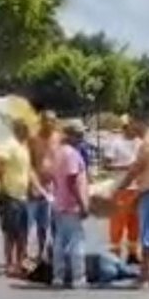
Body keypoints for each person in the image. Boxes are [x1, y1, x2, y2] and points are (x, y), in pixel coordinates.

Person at [114, 118, 149, 288]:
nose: (128, 129)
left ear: (139, 123)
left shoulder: (146, 144)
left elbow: (135, 169)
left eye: (130, 125)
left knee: (147, 236)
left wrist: (119, 188)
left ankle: (144, 276)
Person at [51, 120, 90, 288]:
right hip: (71, 204)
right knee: (76, 241)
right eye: (79, 134)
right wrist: (82, 204)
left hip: (59, 202)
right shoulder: (72, 154)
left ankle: (58, 276)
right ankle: (78, 277)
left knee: (60, 240)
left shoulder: (58, 153)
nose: (81, 138)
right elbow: (72, 180)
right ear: (71, 135)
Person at [0, 119, 35, 277]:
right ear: (19, 129)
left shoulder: (23, 147)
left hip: (23, 196)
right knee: (11, 233)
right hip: (10, 195)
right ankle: (9, 264)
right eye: (26, 129)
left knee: (23, 232)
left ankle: (22, 263)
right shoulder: (9, 144)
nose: (28, 132)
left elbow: (27, 171)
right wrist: (3, 183)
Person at [105, 115, 143, 264]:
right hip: (120, 188)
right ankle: (115, 254)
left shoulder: (140, 144)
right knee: (117, 222)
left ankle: (132, 254)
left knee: (135, 222)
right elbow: (106, 165)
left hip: (137, 189)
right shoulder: (115, 143)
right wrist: (125, 167)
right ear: (124, 127)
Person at [27, 110, 61, 260]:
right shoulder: (34, 139)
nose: (49, 124)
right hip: (37, 185)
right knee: (40, 222)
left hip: (56, 185)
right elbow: (29, 163)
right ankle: (40, 252)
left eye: (52, 121)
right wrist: (33, 184)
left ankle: (55, 251)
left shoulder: (59, 138)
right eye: (46, 120)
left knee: (56, 221)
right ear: (41, 122)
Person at [22, 250, 140, 287]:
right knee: (127, 270)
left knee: (124, 272)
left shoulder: (52, 275)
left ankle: (141, 274)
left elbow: (34, 266)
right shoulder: (55, 263)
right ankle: (144, 274)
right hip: (101, 261)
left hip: (101, 273)